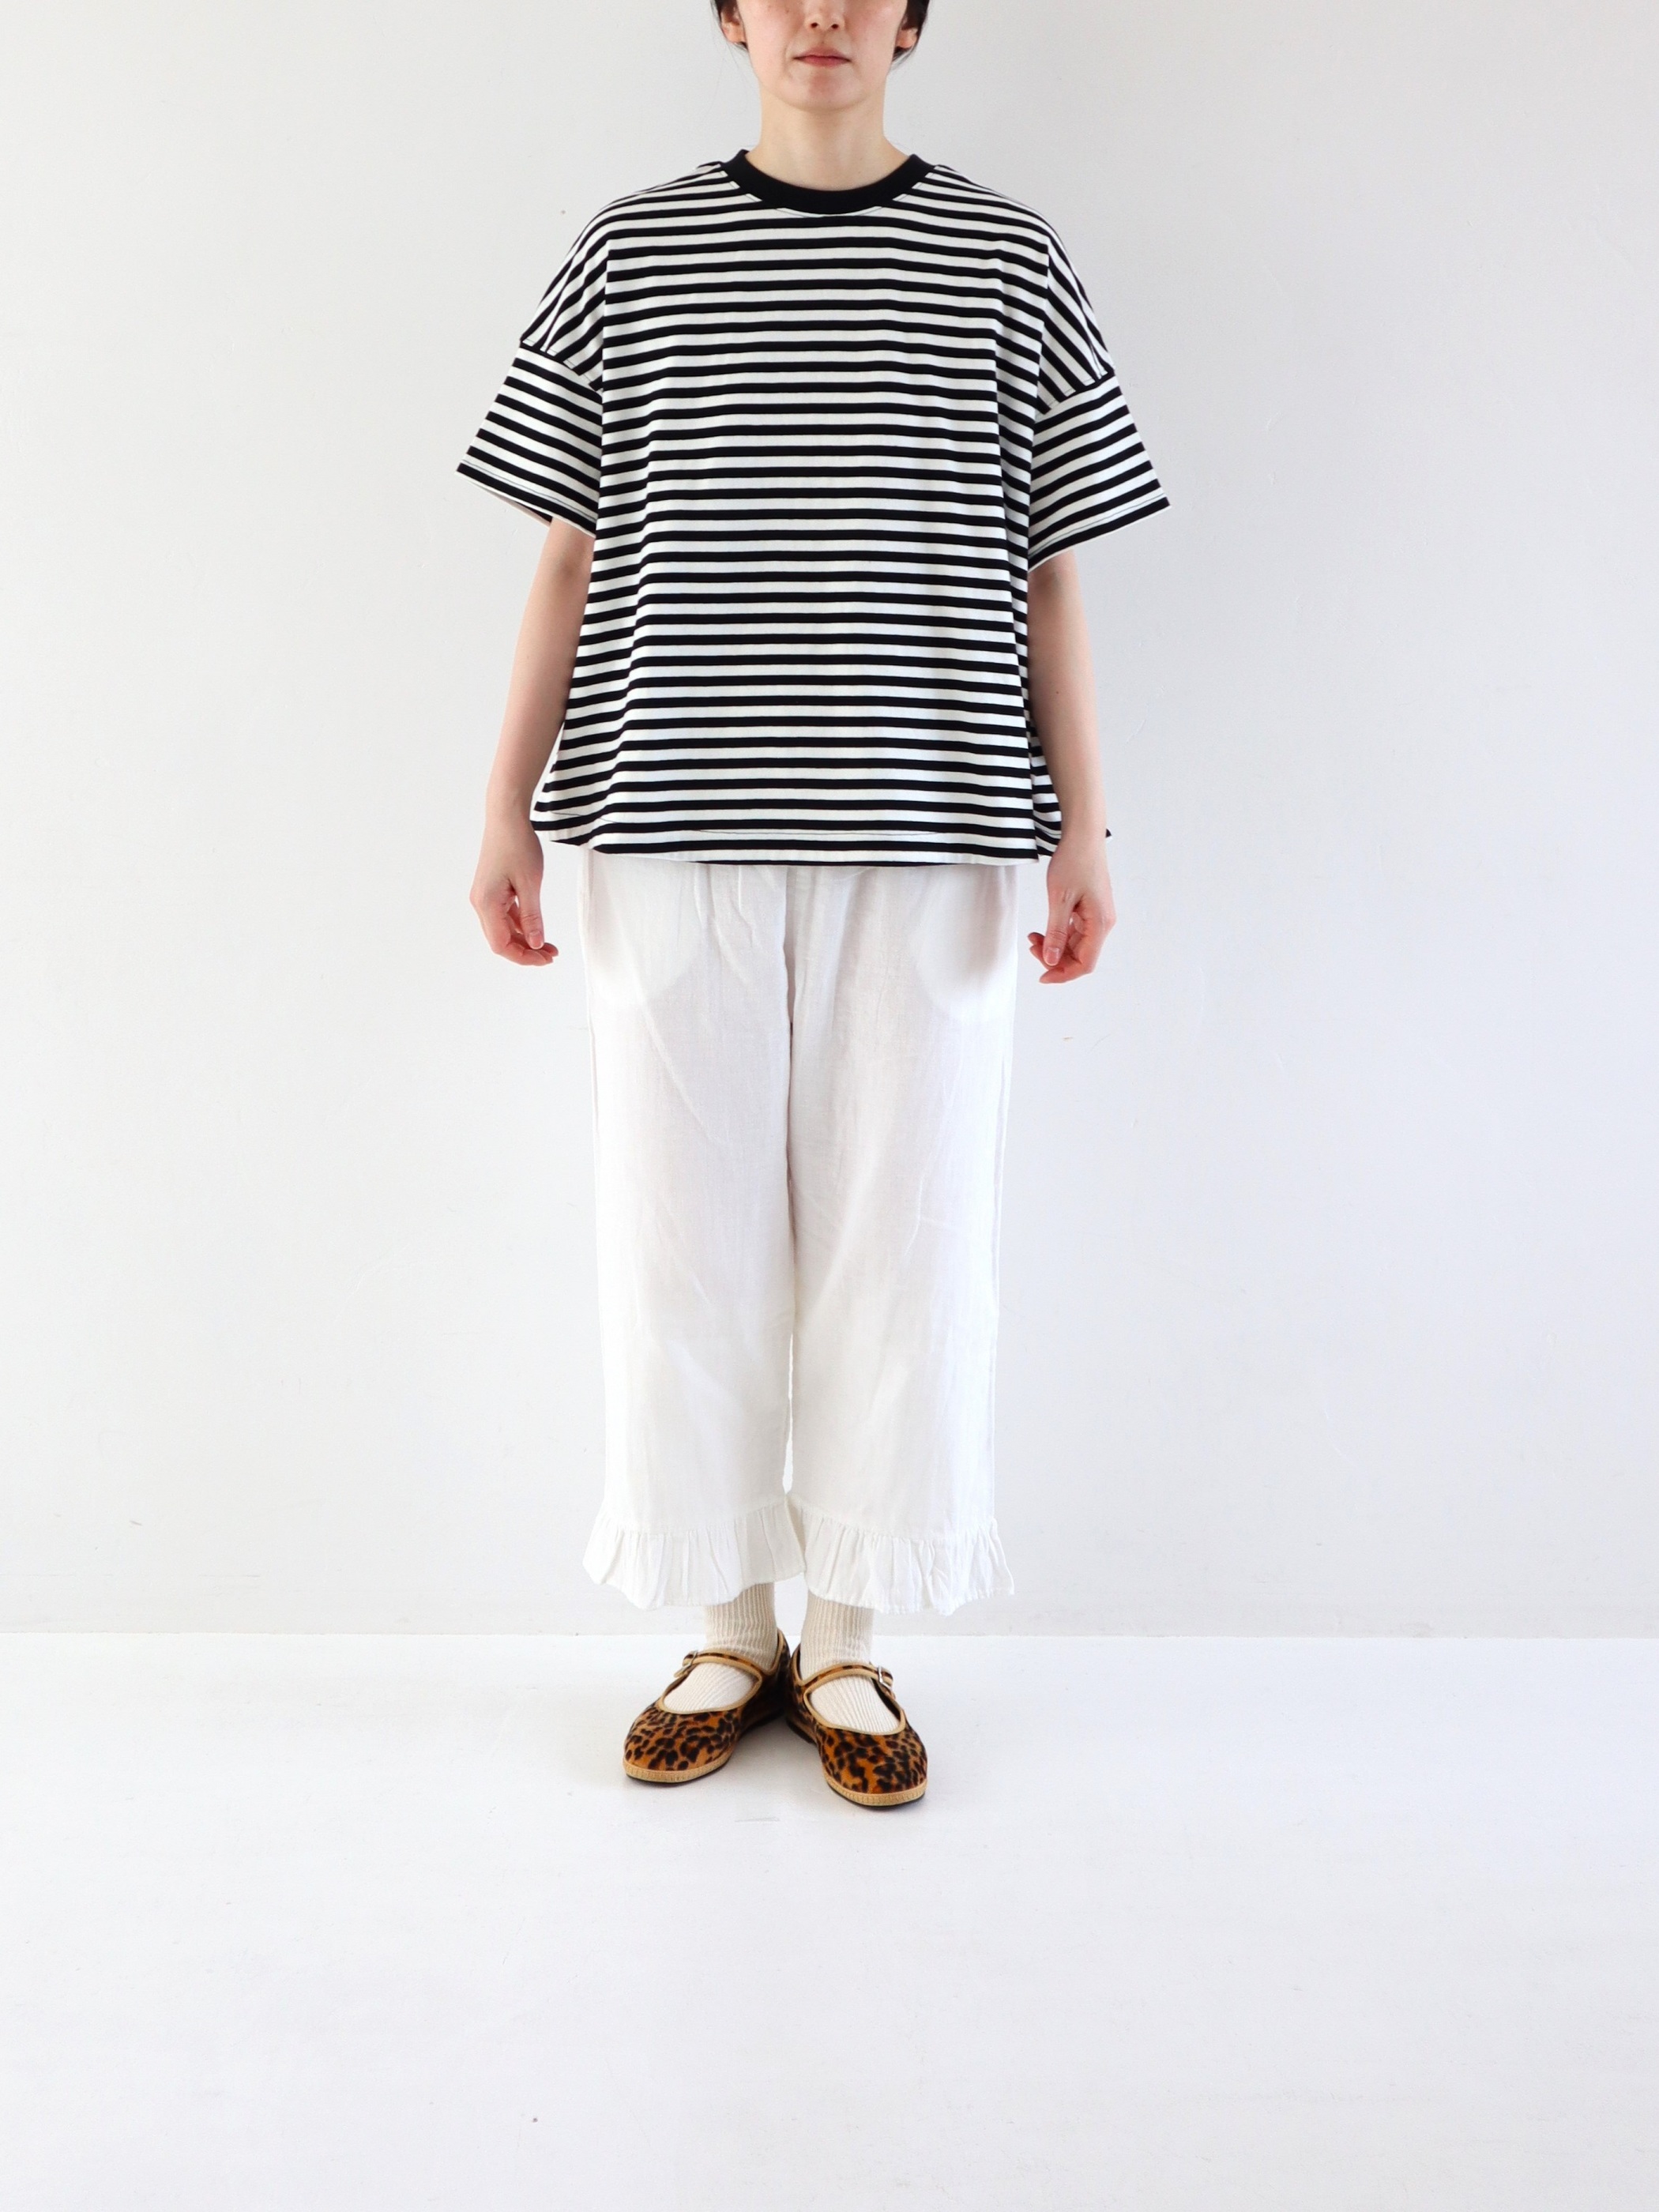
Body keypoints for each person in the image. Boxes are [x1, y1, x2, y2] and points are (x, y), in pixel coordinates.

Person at [458, 0, 1167, 1808]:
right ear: (731, 15)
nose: (825, 12)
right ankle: (727, 1626)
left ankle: (849, 1633)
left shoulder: (1007, 258)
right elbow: (567, 548)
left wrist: (1086, 829)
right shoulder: (632, 251)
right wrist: (505, 805)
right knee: (680, 1243)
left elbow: (1052, 569)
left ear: (916, 17)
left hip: (933, 824)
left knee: (905, 1243)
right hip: (668, 819)